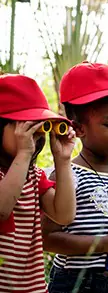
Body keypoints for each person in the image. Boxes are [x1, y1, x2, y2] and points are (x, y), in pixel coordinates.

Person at [43, 62, 108, 293]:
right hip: (76, 282)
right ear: (78, 129)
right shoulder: (66, 174)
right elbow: (48, 238)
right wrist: (102, 244)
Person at [0, 74, 76, 293]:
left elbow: (64, 215)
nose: (36, 137)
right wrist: (24, 154)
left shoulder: (34, 175)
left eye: (41, 128)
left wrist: (63, 160)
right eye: (27, 127)